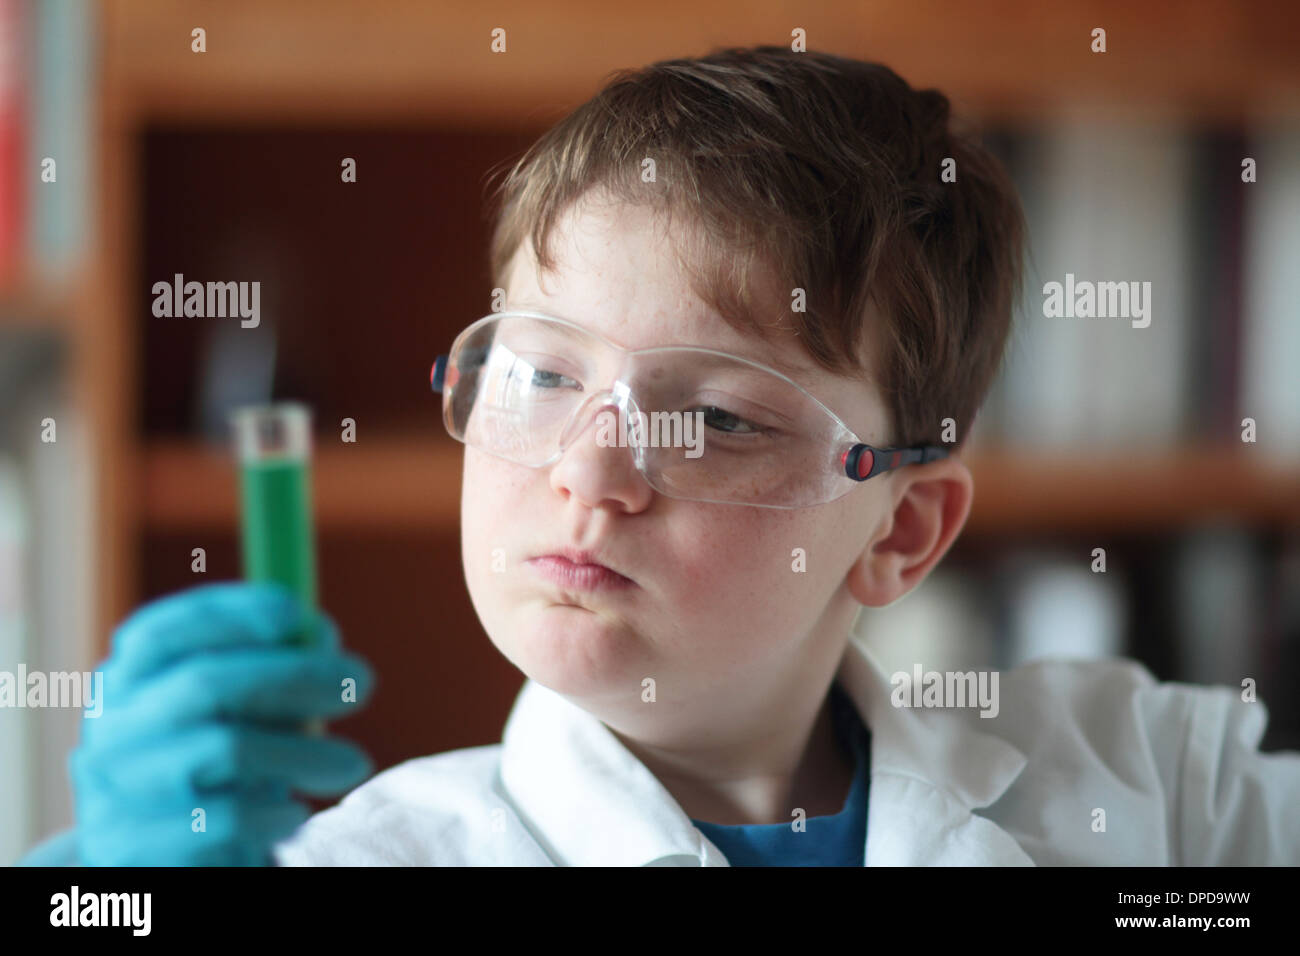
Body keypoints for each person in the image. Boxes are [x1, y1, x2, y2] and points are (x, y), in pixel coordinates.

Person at [20, 46, 1300, 867]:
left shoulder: (1146, 789)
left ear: (900, 531)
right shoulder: (380, 856)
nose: (590, 473)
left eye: (718, 420)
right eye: (541, 375)